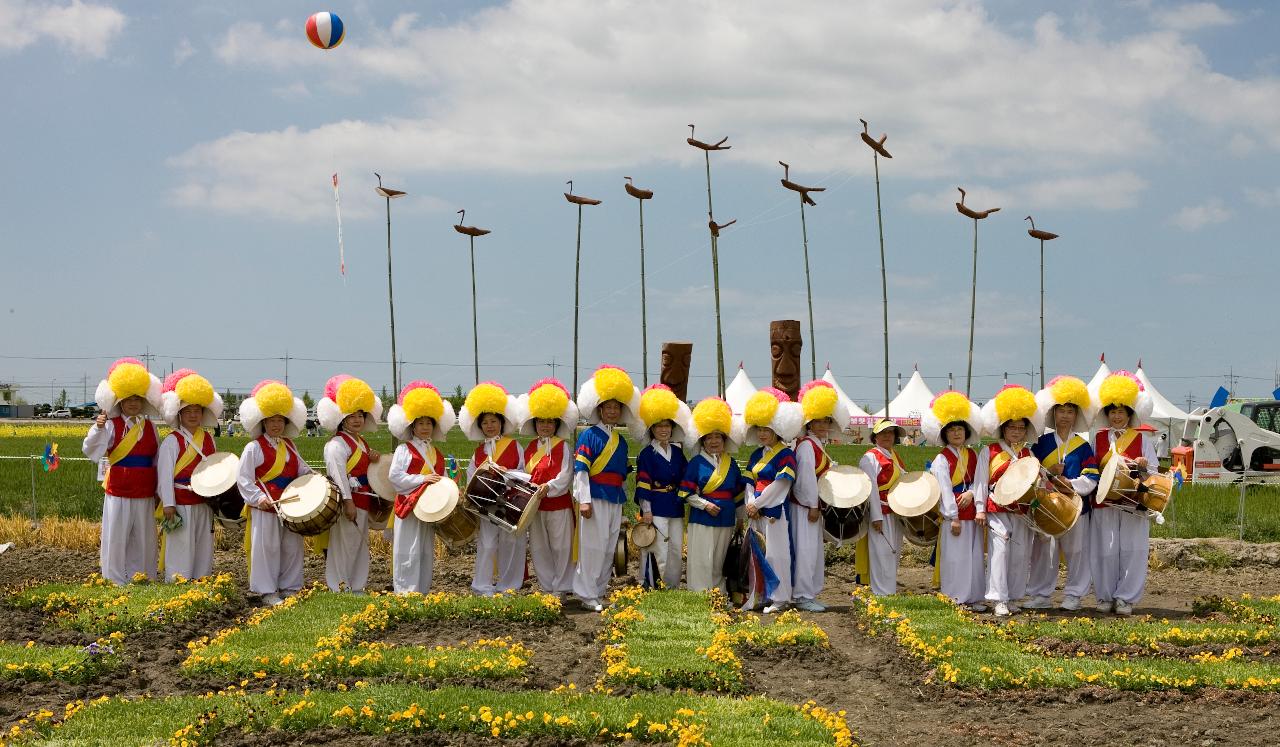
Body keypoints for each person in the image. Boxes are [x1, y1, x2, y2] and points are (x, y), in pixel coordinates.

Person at [82, 358, 164, 585]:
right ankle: (115, 579)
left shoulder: (151, 427)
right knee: (116, 537)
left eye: (138, 398)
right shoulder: (110, 424)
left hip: (145, 489)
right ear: (120, 400)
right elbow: (90, 450)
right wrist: (97, 427)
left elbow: (156, 459)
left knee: (144, 538)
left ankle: (142, 577)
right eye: (129, 399)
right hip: (118, 488)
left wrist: (159, 491)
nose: (133, 403)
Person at [572, 365, 641, 611]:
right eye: (608, 407)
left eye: (616, 408)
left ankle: (598, 591)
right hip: (595, 497)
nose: (612, 411)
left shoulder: (621, 442)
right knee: (592, 547)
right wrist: (584, 500)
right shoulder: (588, 436)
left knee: (609, 546)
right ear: (600, 410)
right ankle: (585, 592)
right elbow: (581, 471)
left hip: (615, 499)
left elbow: (622, 475)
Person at [1088, 371, 1157, 616]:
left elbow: (1154, 471)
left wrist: (1143, 466)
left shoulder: (1142, 439)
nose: (1117, 417)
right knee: (1104, 549)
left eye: (1122, 412)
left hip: (1132, 502)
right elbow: (1090, 467)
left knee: (1133, 549)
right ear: (1107, 414)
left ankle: (1126, 598)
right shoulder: (1097, 439)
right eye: (1113, 412)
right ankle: (1105, 596)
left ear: (1130, 414)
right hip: (1104, 501)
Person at [236, 380, 311, 605]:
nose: (276, 424)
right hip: (266, 505)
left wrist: (313, 479)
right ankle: (267, 591)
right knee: (266, 548)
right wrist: (259, 498)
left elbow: (301, 470)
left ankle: (290, 587)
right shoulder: (253, 447)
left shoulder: (290, 446)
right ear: (263, 422)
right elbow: (244, 479)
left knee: (291, 547)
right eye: (271, 420)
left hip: (289, 505)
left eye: (280, 420)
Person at [1031, 375, 1099, 611]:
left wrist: (1069, 484)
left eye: (1070, 411)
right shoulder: (1041, 443)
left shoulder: (1083, 446)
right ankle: (1041, 594)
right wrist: (1048, 472)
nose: (1065, 416)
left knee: (1076, 551)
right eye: (1061, 411)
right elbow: (1029, 472)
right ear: (1053, 414)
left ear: (1076, 416)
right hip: (1048, 505)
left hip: (1076, 507)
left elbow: (1092, 477)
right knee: (1045, 551)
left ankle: (1074, 595)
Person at [386, 381, 456, 594]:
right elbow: (395, 477)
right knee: (407, 550)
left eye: (429, 423)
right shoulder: (403, 450)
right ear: (412, 426)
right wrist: (422, 479)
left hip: (429, 509)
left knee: (425, 550)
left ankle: (423, 591)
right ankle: (405, 592)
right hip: (409, 506)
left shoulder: (437, 453)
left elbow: (442, 480)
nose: (425, 427)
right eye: (421, 423)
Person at [977, 384, 1041, 617]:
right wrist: (980, 509)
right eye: (1012, 427)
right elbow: (980, 483)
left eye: (1021, 428)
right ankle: (998, 598)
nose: (1016, 431)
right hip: (996, 508)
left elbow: (1036, 483)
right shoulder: (989, 451)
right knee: (1000, 552)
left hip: (1022, 511)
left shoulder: (1029, 455)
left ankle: (1014, 596)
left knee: (1021, 554)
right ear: (1003, 428)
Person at [458, 381, 526, 596]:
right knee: (487, 545)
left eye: (494, 421)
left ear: (502, 423)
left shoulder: (515, 446)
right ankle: (483, 585)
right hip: (486, 507)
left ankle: (509, 585)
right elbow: (471, 476)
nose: (490, 425)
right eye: (485, 422)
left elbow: (524, 473)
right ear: (480, 426)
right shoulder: (478, 452)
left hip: (509, 504)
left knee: (510, 544)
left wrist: (508, 475)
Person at [317, 374, 384, 594]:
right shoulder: (336, 444)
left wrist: (373, 458)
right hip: (350, 500)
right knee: (344, 544)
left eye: (360, 415)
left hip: (364, 498)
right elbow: (338, 475)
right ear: (341, 418)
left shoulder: (361, 442)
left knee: (358, 544)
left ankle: (357, 585)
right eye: (351, 416)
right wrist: (348, 502)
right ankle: (339, 586)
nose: (356, 420)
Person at [156, 369, 224, 582]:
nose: (193, 415)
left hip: (204, 500)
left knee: (203, 543)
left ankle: (201, 580)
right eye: (188, 411)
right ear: (179, 414)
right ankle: (178, 582)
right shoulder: (172, 441)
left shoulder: (209, 439)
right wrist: (168, 503)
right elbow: (164, 475)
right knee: (181, 544)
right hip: (181, 500)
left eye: (197, 410)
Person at [922, 390, 985, 611]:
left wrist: (974, 496)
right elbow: (944, 490)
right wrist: (952, 516)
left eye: (960, 429)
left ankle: (974, 596)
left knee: (974, 556)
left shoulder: (973, 455)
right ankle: (955, 597)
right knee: (955, 558)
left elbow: (980, 481)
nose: (957, 433)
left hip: (972, 512)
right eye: (952, 429)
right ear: (945, 434)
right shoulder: (941, 458)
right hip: (955, 516)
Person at [790, 380, 850, 611]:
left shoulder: (816, 445)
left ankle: (810, 592)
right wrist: (813, 505)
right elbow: (805, 481)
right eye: (819, 421)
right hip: (806, 508)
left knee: (812, 551)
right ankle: (802, 594)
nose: (824, 424)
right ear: (810, 422)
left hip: (814, 506)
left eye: (827, 421)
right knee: (805, 550)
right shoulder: (806, 446)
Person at [517, 378, 580, 598]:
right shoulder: (529, 448)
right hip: (535, 506)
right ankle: (546, 586)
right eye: (541, 421)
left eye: (550, 421)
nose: (545, 425)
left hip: (558, 504)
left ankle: (562, 587)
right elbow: (523, 474)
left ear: (557, 424)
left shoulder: (563, 446)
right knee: (539, 547)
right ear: (534, 423)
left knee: (561, 547)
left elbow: (566, 475)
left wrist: (549, 487)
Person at [741, 388, 802, 612]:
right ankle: (761, 594)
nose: (762, 433)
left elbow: (782, 485)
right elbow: (749, 481)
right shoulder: (756, 455)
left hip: (775, 510)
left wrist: (756, 504)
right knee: (758, 554)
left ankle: (780, 597)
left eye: (767, 429)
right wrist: (750, 503)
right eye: (759, 428)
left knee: (777, 554)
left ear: (778, 429)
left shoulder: (786, 454)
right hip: (755, 509)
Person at [681, 396, 746, 594]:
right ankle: (700, 593)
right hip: (703, 517)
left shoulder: (731, 464)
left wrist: (740, 519)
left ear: (724, 439)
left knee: (720, 558)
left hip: (726, 517)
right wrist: (705, 505)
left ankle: (718, 593)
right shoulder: (695, 463)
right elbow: (685, 493)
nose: (714, 441)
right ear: (702, 441)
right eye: (709, 437)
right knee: (701, 557)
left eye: (718, 437)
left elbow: (738, 494)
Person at [633, 384, 691, 590]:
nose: (664, 430)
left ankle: (672, 585)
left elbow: (687, 477)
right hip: (655, 506)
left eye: (667, 425)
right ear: (651, 429)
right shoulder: (647, 454)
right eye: (659, 426)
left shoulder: (677, 453)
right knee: (658, 547)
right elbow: (642, 483)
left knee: (676, 547)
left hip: (674, 504)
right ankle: (653, 585)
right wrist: (646, 510)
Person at [862, 418, 909, 596]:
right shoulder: (870, 457)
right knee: (881, 553)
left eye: (890, 433)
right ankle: (881, 593)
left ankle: (890, 591)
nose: (887, 436)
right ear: (875, 436)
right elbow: (870, 488)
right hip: (880, 511)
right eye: (883, 433)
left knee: (893, 552)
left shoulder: (894, 456)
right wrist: (876, 517)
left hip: (895, 511)